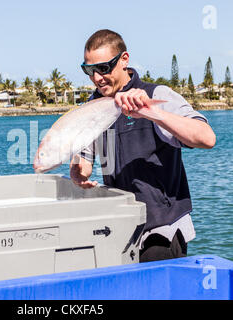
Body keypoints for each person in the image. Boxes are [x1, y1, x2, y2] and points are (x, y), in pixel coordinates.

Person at [70, 29, 216, 262]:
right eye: (90, 70)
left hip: (161, 230)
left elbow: (206, 138)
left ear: (124, 60)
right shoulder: (93, 106)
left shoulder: (156, 94)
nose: (97, 77)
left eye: (104, 68)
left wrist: (152, 113)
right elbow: (85, 159)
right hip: (120, 228)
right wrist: (77, 172)